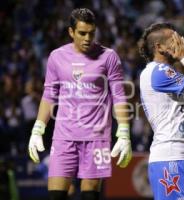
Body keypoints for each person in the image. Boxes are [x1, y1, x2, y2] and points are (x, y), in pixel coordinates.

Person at [28, 8, 132, 200]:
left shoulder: (108, 57)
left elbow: (119, 96)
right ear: (71, 32)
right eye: (82, 33)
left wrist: (124, 132)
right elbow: (49, 94)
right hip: (64, 136)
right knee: (56, 196)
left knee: (89, 197)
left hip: (97, 138)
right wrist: (38, 129)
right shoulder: (57, 57)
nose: (87, 38)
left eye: (91, 33)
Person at [138, 22, 184, 199]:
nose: (180, 42)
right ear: (159, 47)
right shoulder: (159, 71)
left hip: (181, 155)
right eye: (173, 39)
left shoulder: (164, 72)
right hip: (171, 157)